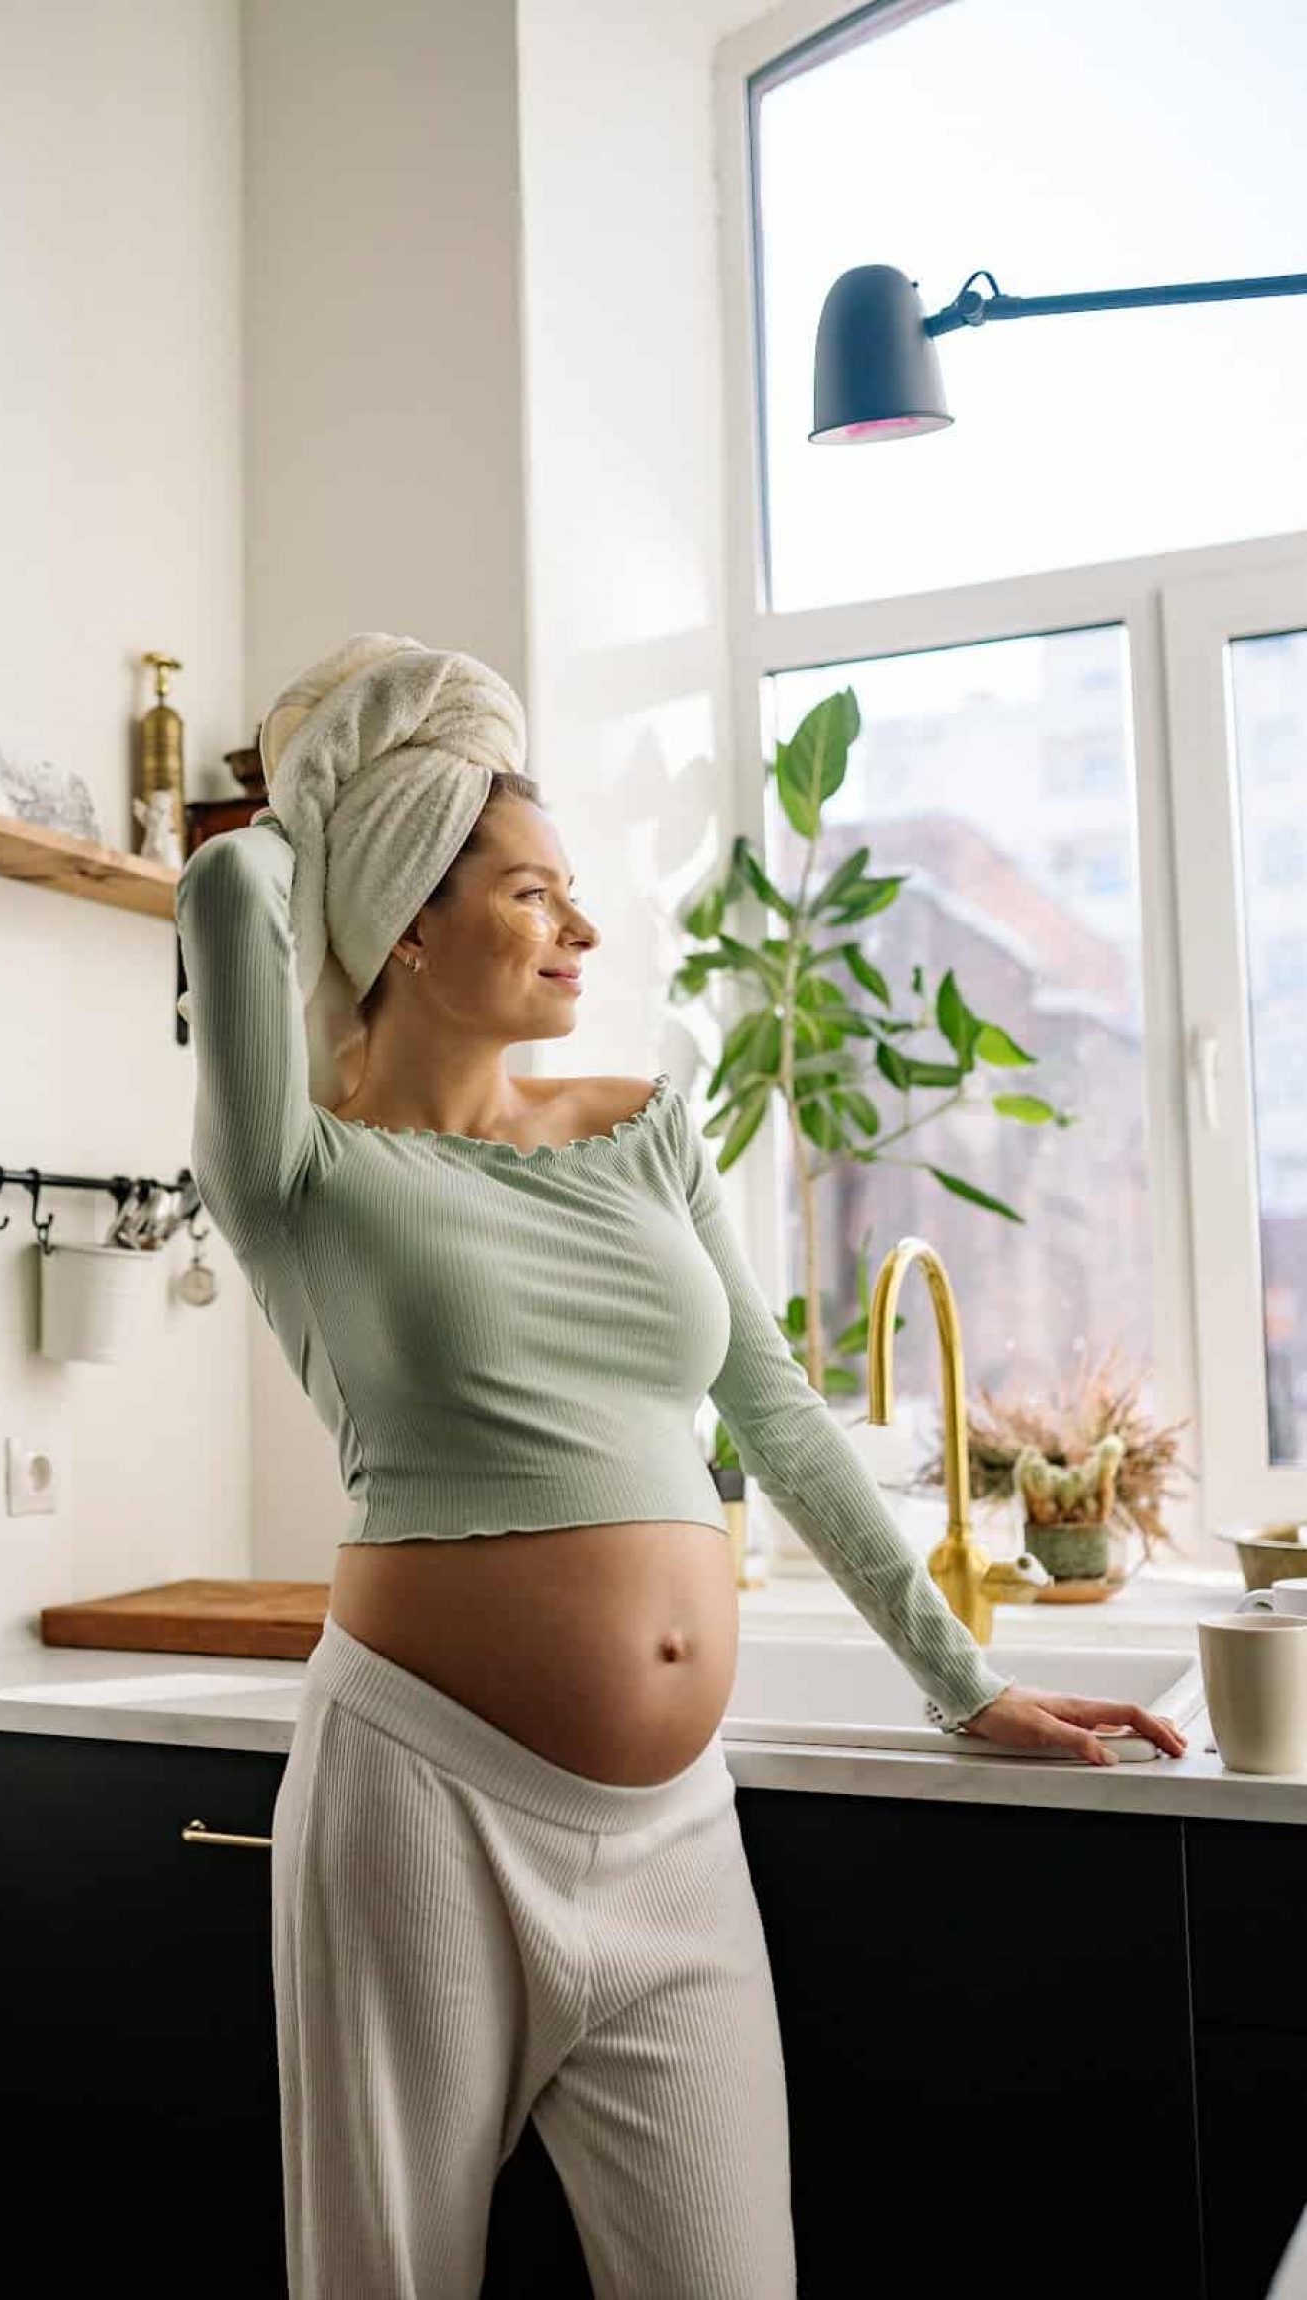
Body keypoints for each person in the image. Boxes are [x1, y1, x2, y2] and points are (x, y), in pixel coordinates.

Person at [175, 632, 1188, 2300]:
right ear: (406, 919)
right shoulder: (303, 1169)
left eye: (573, 889)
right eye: (524, 893)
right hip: (422, 1802)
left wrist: (961, 1683)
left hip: (670, 1832)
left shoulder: (641, 1121)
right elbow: (230, 892)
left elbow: (774, 1408)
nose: (581, 927)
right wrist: (364, 775)